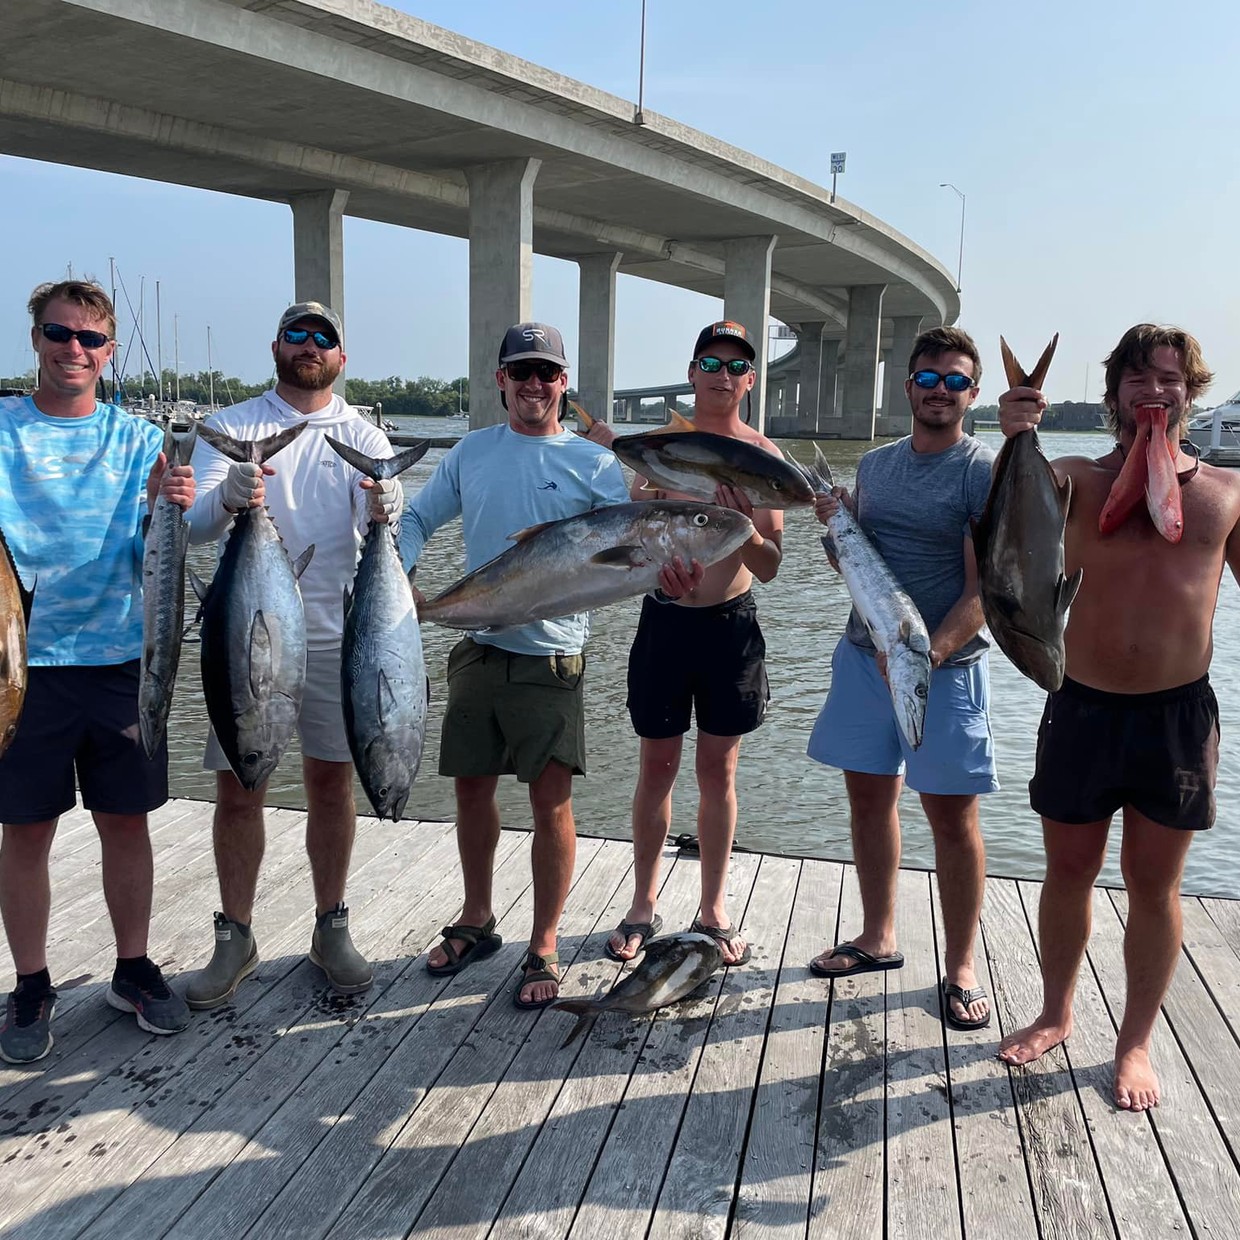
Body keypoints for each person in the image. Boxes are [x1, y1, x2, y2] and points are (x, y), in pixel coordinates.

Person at [996, 324, 1239, 1110]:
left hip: (1176, 714)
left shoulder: (1227, 493)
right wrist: (1015, 437)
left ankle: (1135, 1040)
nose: (1154, 390)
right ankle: (1056, 1011)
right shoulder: (1069, 479)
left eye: (1171, 379)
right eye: (1139, 378)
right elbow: (1006, 532)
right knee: (1068, 871)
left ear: (1190, 394)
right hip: (1083, 706)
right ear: (1115, 395)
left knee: (1154, 884)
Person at [401, 322, 676, 1008]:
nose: (533, 385)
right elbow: (413, 519)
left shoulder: (593, 463)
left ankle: (545, 941)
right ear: (499, 381)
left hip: (552, 656)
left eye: (546, 373)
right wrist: (404, 579)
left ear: (563, 384)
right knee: (470, 790)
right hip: (476, 644)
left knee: (551, 802)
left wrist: (662, 568)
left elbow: (628, 543)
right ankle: (475, 919)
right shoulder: (470, 452)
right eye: (520, 372)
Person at [182, 302, 399, 1008]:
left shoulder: (363, 435)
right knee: (239, 789)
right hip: (247, 634)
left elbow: (373, 544)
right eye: (297, 334)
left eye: (324, 337)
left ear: (342, 356)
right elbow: (192, 527)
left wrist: (386, 507)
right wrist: (231, 497)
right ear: (276, 345)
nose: (310, 346)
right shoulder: (237, 426)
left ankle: (330, 926)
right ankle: (235, 934)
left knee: (332, 786)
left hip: (338, 636)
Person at [0, 280, 195, 1064]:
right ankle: (32, 983)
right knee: (25, 831)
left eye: (89, 339)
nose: (72, 349)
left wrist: (170, 501)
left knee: (126, 822)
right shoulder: (3, 428)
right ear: (35, 338)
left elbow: (157, 544)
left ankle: (133, 967)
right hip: (21, 668)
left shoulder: (137, 440)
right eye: (58, 333)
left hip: (121, 660)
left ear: (110, 353)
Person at [805, 325, 998, 1032]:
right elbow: (851, 565)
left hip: (942, 668)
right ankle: (879, 936)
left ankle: (961, 967)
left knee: (952, 818)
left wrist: (928, 654)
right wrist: (839, 527)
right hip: (863, 657)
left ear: (971, 394)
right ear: (908, 385)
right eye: (928, 377)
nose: (939, 391)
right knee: (869, 799)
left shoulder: (983, 472)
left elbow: (987, 591)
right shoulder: (879, 466)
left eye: (954, 381)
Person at [589, 320, 782, 968]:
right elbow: (631, 522)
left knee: (718, 770)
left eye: (736, 366)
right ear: (693, 372)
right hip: (665, 619)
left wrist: (739, 524)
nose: (723, 375)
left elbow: (774, 561)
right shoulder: (662, 448)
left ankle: (713, 905)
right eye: (711, 362)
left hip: (729, 627)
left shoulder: (761, 453)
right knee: (657, 765)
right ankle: (642, 903)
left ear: (749, 380)